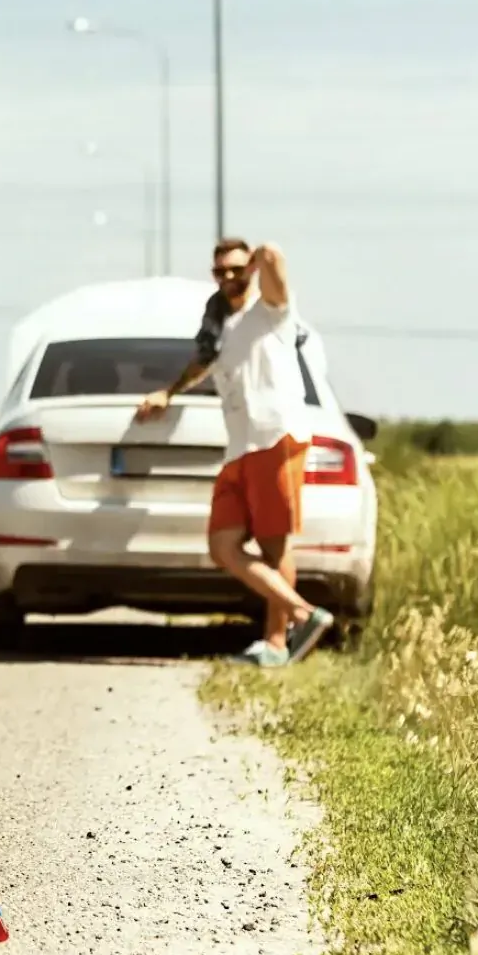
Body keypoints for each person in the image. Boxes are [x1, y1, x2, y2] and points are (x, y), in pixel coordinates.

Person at [134, 237, 334, 667]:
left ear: (249, 271)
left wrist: (264, 256)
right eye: (220, 272)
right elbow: (200, 364)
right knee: (223, 545)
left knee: (275, 547)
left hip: (275, 438)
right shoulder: (219, 325)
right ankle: (304, 613)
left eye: (235, 270)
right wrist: (167, 393)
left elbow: (277, 265)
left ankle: (277, 645)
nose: (228, 278)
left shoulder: (271, 311)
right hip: (240, 447)